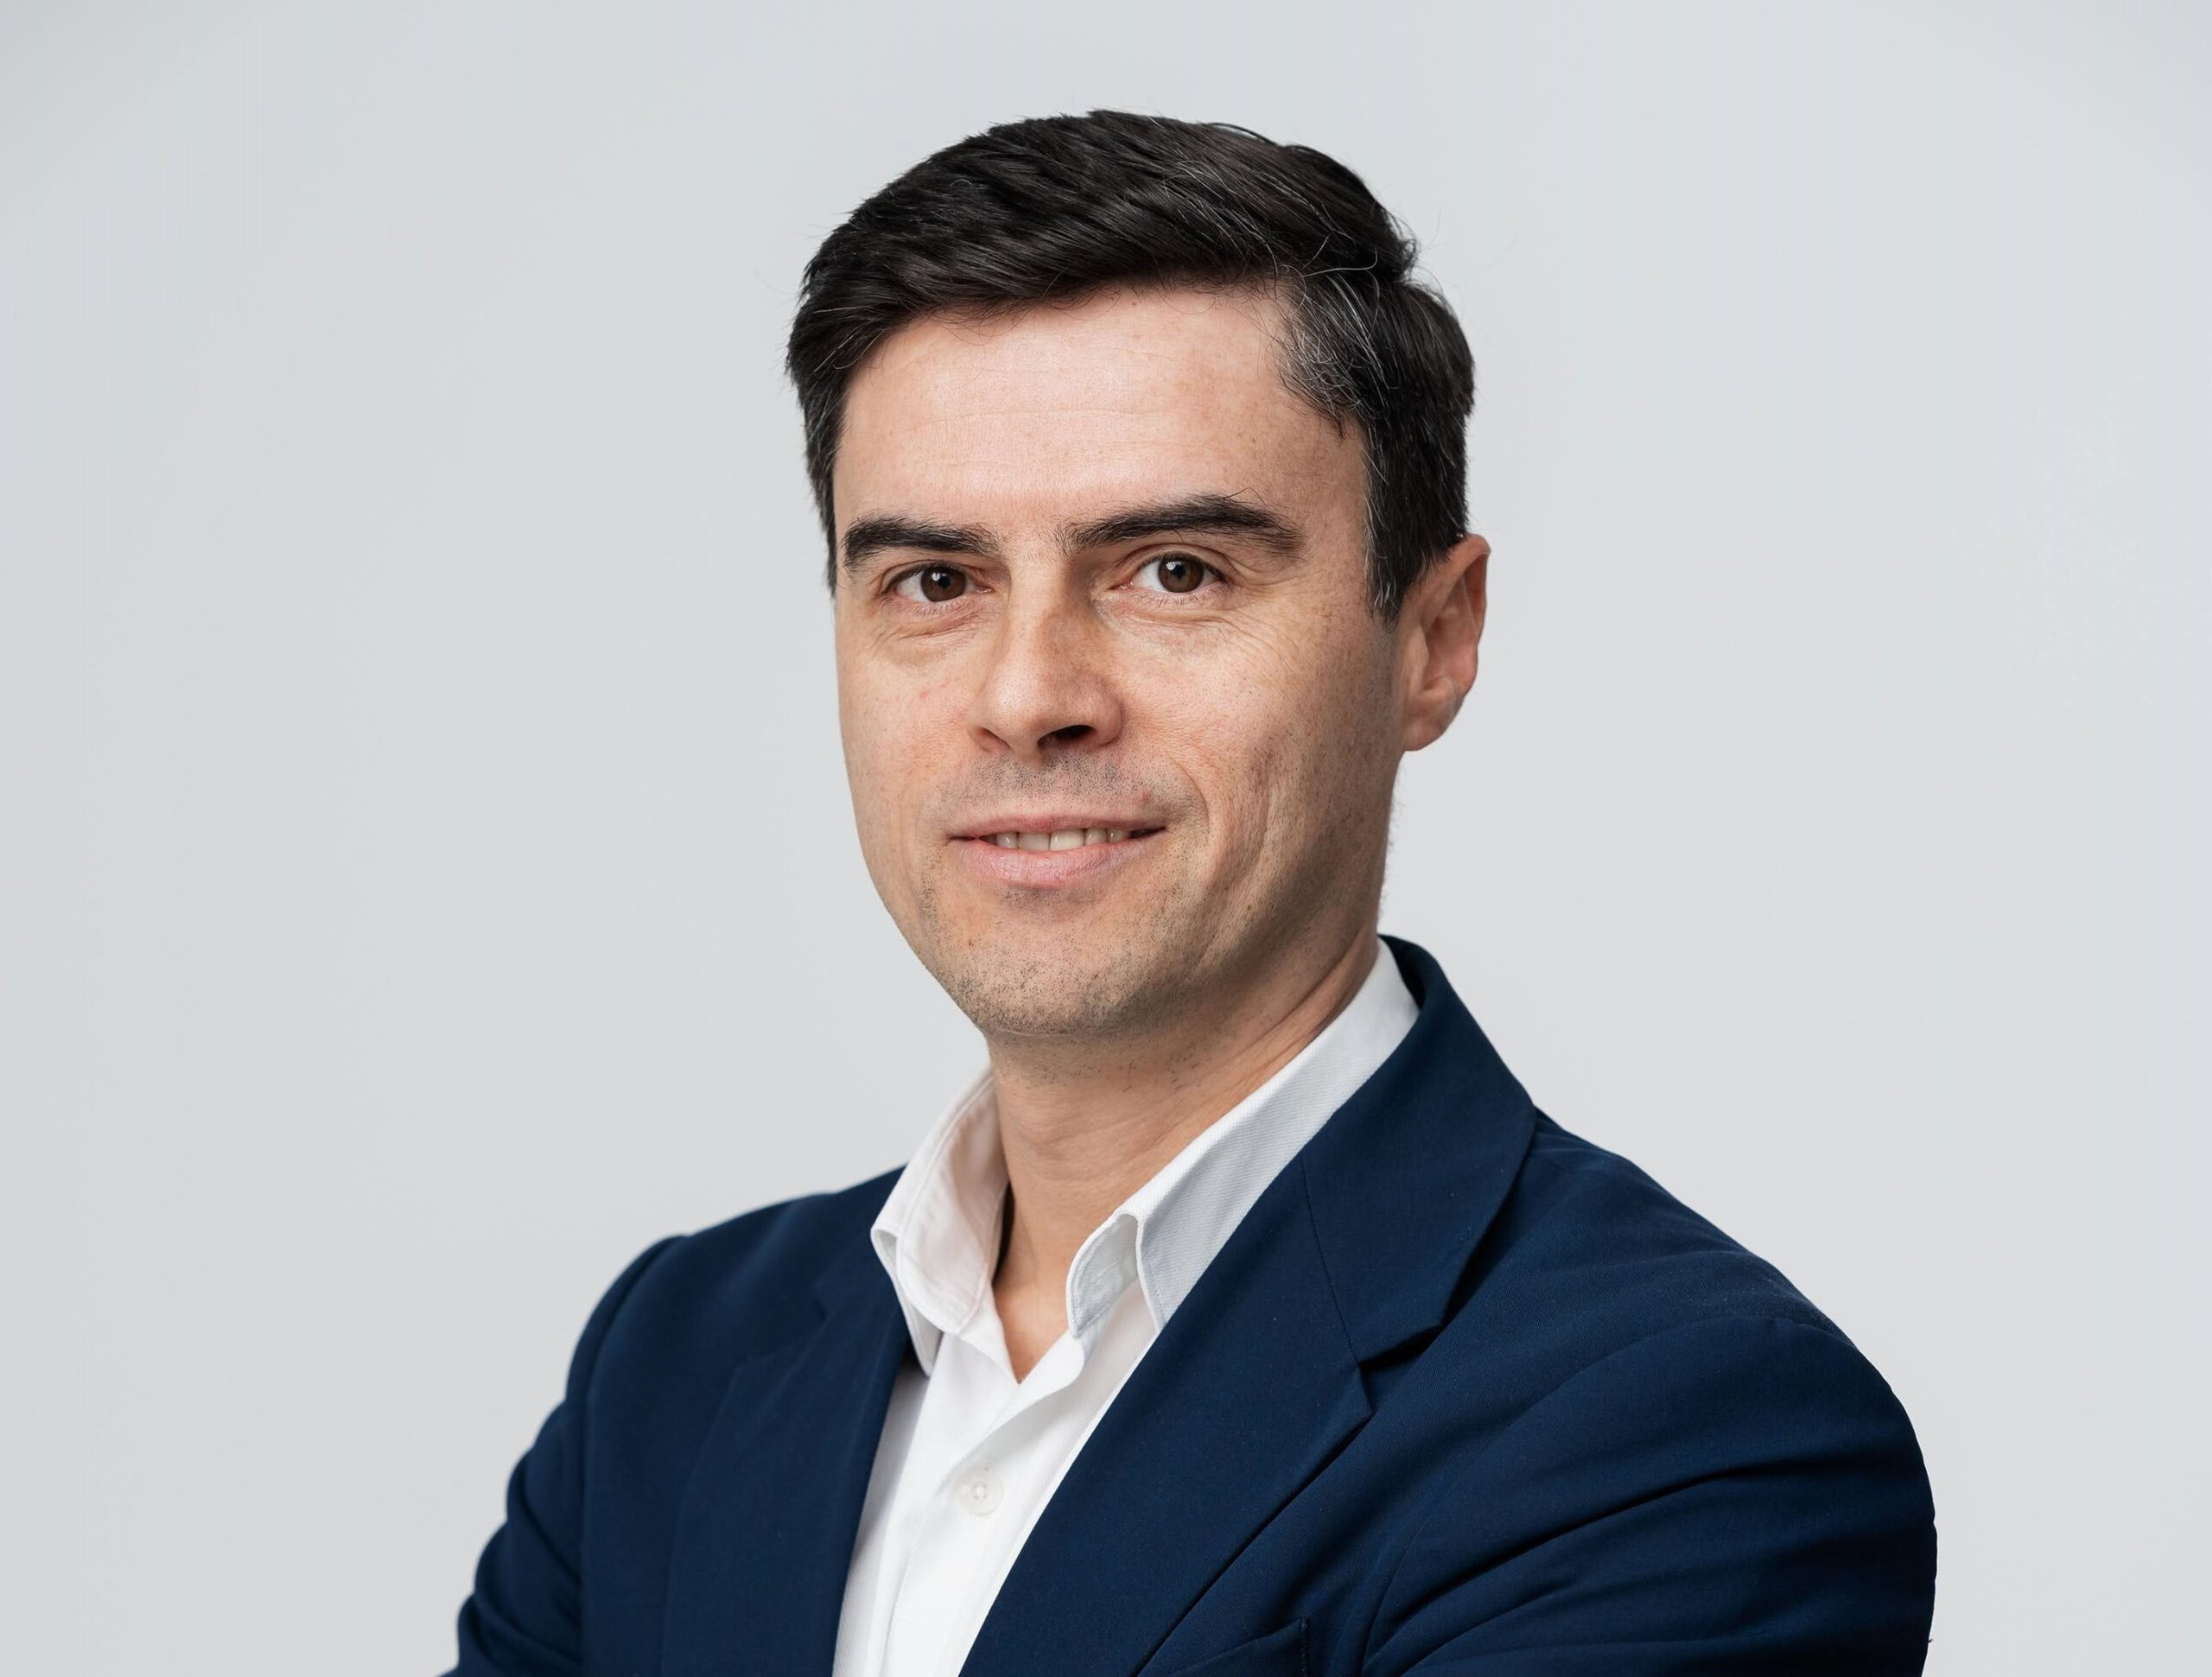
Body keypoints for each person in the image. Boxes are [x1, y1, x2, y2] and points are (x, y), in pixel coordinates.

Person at [446, 111, 1937, 1677]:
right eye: (935, 583)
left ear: (1434, 636)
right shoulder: (676, 1367)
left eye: (1174, 570)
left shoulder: (1684, 1434)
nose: (1028, 697)